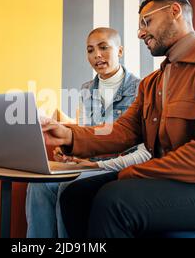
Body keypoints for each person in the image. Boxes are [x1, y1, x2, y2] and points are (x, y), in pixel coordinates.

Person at [41, 0, 195, 238]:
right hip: (173, 183)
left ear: (175, 11)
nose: (140, 33)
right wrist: (67, 136)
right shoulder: (152, 82)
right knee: (75, 195)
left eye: (146, 22)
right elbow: (122, 131)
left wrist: (130, 174)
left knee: (114, 200)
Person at [26, 27, 151, 238]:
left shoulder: (142, 89)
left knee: (67, 187)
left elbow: (143, 147)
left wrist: (90, 162)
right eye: (90, 50)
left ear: (119, 51)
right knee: (38, 185)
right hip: (88, 164)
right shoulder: (85, 89)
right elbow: (85, 131)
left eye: (104, 48)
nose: (97, 56)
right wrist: (70, 152)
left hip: (118, 165)